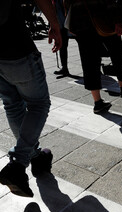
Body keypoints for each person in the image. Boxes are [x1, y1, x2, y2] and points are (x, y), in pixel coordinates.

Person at [0, 0, 62, 197]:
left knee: (12, 105)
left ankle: (35, 155)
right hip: (16, 47)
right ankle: (18, 164)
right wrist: (55, 24)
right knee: (39, 104)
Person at [64, 0, 122, 114]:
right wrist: (119, 21)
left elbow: (67, 3)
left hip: (81, 22)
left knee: (89, 62)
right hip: (104, 17)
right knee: (116, 53)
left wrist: (72, 22)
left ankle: (97, 101)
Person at [53, 0, 70, 75]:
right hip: (62, 24)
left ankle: (95, 67)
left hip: (71, 23)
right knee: (62, 46)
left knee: (83, 45)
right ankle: (64, 67)